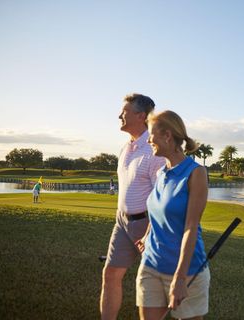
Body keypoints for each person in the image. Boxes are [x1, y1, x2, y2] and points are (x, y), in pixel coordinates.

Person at [136, 110, 210, 320]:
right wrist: (147, 235)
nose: (148, 140)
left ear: (167, 135)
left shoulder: (196, 173)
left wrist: (180, 278)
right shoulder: (161, 173)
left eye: (151, 134)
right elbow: (158, 209)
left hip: (186, 272)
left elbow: (191, 226)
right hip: (150, 265)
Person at [100, 93, 165, 320]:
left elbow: (162, 198)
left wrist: (150, 233)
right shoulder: (126, 147)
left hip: (146, 224)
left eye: (124, 112)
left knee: (154, 283)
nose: (120, 115)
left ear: (140, 116)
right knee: (110, 274)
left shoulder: (154, 149)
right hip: (122, 221)